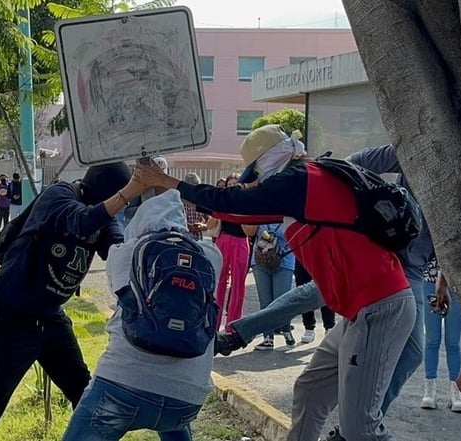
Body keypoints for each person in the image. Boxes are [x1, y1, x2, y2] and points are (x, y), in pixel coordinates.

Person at [134, 124, 416, 441]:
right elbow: (241, 213)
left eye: (254, 173)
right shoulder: (304, 184)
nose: (253, 182)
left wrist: (167, 182)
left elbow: (234, 204)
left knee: (360, 429)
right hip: (360, 310)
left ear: (268, 161)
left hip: (378, 306)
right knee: (310, 390)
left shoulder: (301, 180)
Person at [215, 142, 434, 416]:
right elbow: (354, 163)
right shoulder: (424, 150)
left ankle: (364, 418)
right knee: (315, 292)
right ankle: (237, 333)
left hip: (413, 268)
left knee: (412, 353)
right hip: (383, 248)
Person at [0, 162, 146, 441]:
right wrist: (126, 194)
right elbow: (82, 220)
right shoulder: (58, 195)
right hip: (14, 314)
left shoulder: (104, 219)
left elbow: (114, 248)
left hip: (50, 316)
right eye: (117, 198)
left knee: (82, 390)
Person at [61, 189, 223, 441]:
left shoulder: (124, 252)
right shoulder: (211, 255)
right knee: (169, 414)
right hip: (188, 398)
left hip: (123, 385)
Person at [420, 263, 461, 412]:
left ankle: (456, 391)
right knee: (432, 340)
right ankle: (429, 390)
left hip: (456, 281)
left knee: (453, 342)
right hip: (430, 280)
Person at [248, 223, 296, 350]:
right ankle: (268, 338)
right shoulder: (260, 215)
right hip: (260, 262)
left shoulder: (289, 218)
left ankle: (286, 329)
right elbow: (250, 233)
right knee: (265, 302)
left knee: (283, 300)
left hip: (284, 261)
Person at [213, 173, 251, 332]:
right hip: (224, 239)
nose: (233, 188)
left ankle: (232, 326)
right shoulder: (223, 202)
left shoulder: (246, 203)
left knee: (238, 285)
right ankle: (214, 323)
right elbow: (212, 221)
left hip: (241, 241)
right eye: (230, 185)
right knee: (219, 283)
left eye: (236, 185)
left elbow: (250, 229)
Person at [296, 261, 335, 343]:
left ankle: (329, 326)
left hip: (324, 255)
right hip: (302, 256)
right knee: (304, 291)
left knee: (326, 289)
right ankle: (308, 327)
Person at [182, 172, 209, 241]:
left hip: (198, 240)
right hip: (182, 239)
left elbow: (210, 223)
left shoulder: (202, 202)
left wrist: (201, 226)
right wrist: (185, 225)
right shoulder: (178, 202)